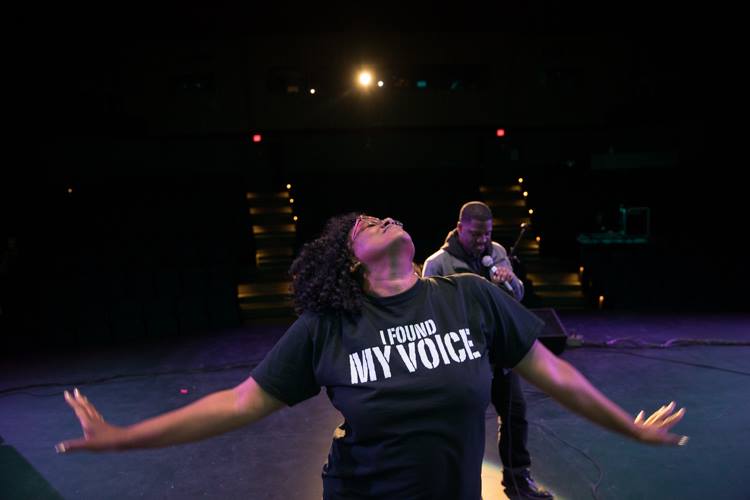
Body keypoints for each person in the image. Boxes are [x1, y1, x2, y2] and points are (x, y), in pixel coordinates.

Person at [56, 213, 687, 500]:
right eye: (364, 223)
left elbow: (554, 373)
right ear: (349, 261)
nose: (383, 217)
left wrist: (625, 426)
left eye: (383, 214)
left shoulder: (469, 297)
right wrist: (123, 438)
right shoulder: (328, 326)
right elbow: (239, 403)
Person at [422, 201, 547, 499]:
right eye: (476, 234)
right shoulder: (437, 264)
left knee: (515, 414)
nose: (482, 241)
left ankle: (518, 482)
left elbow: (517, 296)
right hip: (464, 361)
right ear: (459, 227)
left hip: (500, 353)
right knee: (466, 425)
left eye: (487, 234)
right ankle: (459, 484)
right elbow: (427, 316)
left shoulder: (499, 252)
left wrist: (510, 281)